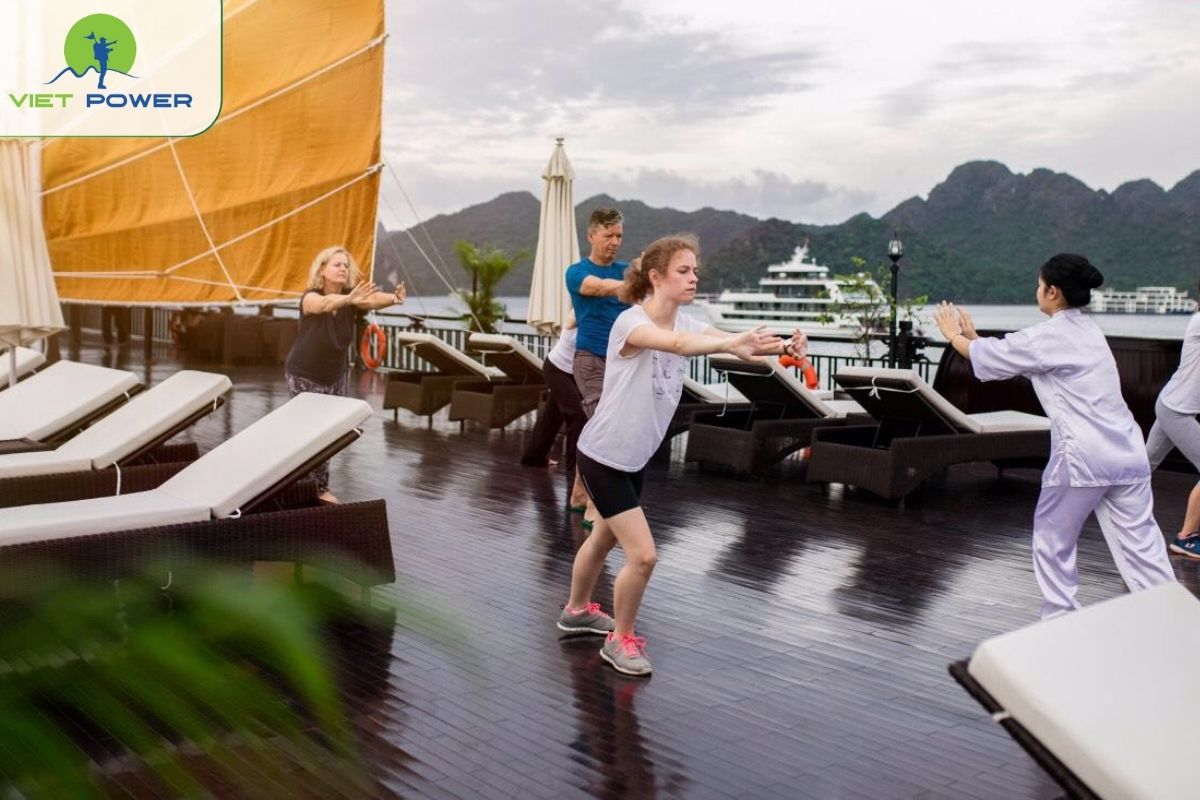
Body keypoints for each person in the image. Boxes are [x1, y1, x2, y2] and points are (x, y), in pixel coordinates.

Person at [556, 234, 804, 675]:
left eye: (695, 270)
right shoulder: (630, 323)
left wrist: (780, 347)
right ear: (655, 277)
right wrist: (729, 344)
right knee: (644, 555)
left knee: (603, 537)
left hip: (633, 457)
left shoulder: (687, 323)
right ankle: (621, 640)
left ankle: (576, 611)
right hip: (603, 455)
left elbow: (729, 341)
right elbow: (675, 346)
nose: (693, 278)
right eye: (683, 271)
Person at [934, 253, 1176, 619]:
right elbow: (1012, 357)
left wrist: (953, 336)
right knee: (1143, 547)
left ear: (1052, 291)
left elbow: (1003, 356)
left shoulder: (1049, 335)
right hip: (1128, 452)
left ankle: (1058, 619)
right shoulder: (1088, 331)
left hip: (1084, 456)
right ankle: (1175, 621)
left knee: (1053, 540)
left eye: (1038, 284)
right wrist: (973, 339)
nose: (1037, 291)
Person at [284, 245, 405, 503]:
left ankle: (319, 487)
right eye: (337, 264)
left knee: (328, 434)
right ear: (322, 270)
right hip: (304, 373)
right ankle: (298, 484)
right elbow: (324, 304)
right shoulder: (310, 297)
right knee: (308, 432)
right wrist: (351, 300)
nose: (343, 268)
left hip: (335, 375)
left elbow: (374, 299)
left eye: (345, 265)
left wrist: (394, 298)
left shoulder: (353, 299)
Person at [566, 207, 631, 527]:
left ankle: (579, 494)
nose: (614, 242)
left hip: (621, 362)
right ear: (592, 236)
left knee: (597, 428)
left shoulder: (626, 269)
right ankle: (594, 502)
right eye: (608, 235)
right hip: (590, 360)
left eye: (619, 236)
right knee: (604, 429)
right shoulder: (576, 272)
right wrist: (631, 283)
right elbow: (598, 287)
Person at [1145, 283, 1200, 558]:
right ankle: (1187, 538)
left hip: (1173, 405)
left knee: (1142, 468)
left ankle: (1111, 512)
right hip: (1176, 409)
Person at [521, 317, 590, 511]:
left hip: (576, 373)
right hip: (557, 369)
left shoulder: (605, 317)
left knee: (553, 413)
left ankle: (533, 457)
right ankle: (573, 473)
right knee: (576, 415)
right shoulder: (577, 314)